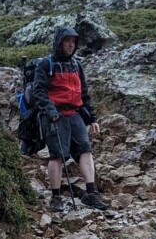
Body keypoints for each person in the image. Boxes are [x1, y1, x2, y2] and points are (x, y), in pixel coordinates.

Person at [32, 26, 109, 212]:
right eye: (67, 41)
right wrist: (51, 111)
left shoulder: (76, 65)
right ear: (59, 43)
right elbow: (39, 91)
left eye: (73, 42)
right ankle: (56, 197)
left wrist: (92, 119)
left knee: (85, 151)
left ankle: (91, 193)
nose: (70, 45)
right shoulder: (46, 64)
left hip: (75, 114)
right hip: (55, 116)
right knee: (57, 155)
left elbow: (84, 94)